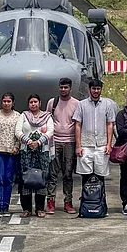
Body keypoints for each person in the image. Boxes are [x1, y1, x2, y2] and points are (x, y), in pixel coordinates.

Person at [72, 78, 117, 197]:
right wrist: (78, 146)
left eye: (98, 89)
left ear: (101, 90)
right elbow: (78, 125)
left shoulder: (107, 104)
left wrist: (109, 144)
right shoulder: (82, 104)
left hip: (102, 145)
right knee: (85, 175)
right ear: (89, 89)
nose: (96, 91)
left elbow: (110, 124)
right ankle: (86, 201)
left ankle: (100, 202)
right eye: (94, 89)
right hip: (86, 145)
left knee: (100, 175)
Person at [16, 94, 55, 217]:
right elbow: (17, 131)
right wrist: (29, 142)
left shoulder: (47, 116)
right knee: (26, 179)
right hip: (26, 152)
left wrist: (38, 142)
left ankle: (40, 208)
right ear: (28, 104)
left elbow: (50, 130)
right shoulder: (24, 116)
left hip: (42, 152)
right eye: (31, 102)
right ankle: (26, 209)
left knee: (41, 179)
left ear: (40, 103)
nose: (33, 104)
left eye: (35, 102)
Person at [45, 77, 80, 214]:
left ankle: (68, 202)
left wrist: (78, 144)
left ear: (70, 88)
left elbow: (78, 123)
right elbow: (47, 120)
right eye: (61, 87)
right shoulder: (52, 102)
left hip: (69, 142)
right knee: (52, 174)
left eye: (66, 87)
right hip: (55, 142)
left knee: (68, 174)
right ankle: (51, 201)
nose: (63, 90)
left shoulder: (77, 103)